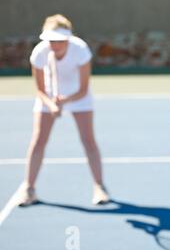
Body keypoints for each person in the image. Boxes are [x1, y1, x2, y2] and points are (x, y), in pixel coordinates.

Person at [17, 14, 109, 207]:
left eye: (59, 40)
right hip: (49, 97)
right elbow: (40, 90)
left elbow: (83, 89)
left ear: (67, 38)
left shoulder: (80, 50)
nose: (54, 44)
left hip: (79, 97)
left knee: (88, 140)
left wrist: (66, 100)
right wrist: (51, 104)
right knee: (38, 140)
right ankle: (29, 189)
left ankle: (99, 186)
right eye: (51, 39)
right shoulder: (39, 53)